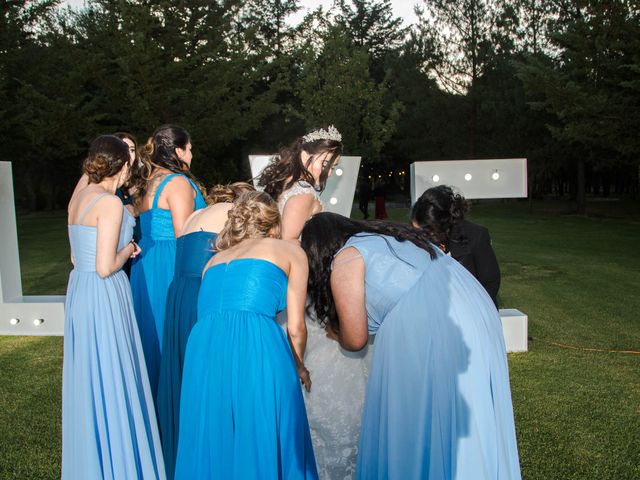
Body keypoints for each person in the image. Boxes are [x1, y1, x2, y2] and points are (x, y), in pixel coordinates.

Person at [301, 213, 521, 480]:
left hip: (430, 324)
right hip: (472, 307)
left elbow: (355, 340)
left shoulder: (346, 259)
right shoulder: (392, 238)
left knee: (418, 419)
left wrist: (336, 333)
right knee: (461, 408)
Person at [174, 191, 318, 479]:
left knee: (215, 430)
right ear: (273, 225)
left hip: (203, 348)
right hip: (255, 341)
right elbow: (295, 327)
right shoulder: (290, 251)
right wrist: (299, 365)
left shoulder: (212, 263)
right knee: (261, 421)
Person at [259, 125, 370, 479]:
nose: (329, 169)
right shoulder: (303, 193)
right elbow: (290, 245)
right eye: (329, 162)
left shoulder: (286, 188)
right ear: (313, 154)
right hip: (305, 292)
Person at [63, 135, 165, 479]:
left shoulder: (78, 199)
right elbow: (107, 266)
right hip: (105, 293)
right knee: (112, 370)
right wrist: (130, 249)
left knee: (91, 375)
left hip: (80, 291)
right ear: (122, 166)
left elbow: (78, 257)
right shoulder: (108, 205)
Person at [156, 182, 254, 480]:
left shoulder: (196, 214)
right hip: (203, 292)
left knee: (184, 371)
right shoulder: (231, 215)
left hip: (179, 294)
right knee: (212, 374)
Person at [129, 124, 206, 397]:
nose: (192, 155)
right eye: (190, 149)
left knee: (152, 332)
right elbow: (184, 234)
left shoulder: (148, 180)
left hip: (146, 263)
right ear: (178, 150)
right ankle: (171, 402)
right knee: (169, 332)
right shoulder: (178, 183)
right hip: (170, 261)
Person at [411, 185, 501, 307]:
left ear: (440, 225)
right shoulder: (417, 239)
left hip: (472, 309)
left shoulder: (476, 236)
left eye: (423, 230)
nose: (418, 235)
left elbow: (490, 284)